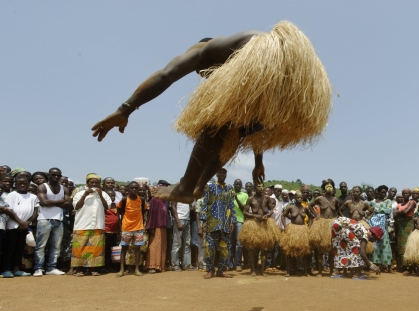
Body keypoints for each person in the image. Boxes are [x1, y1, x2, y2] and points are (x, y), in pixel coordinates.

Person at [92, 22, 332, 203]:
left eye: (204, 75)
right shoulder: (241, 60)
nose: (206, 77)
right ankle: (198, 185)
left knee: (217, 122)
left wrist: (125, 109)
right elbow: (255, 126)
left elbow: (166, 75)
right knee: (235, 132)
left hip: (272, 53)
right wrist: (258, 163)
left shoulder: (204, 49)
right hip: (297, 79)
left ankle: (186, 187)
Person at [70, 173, 111, 276]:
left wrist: (101, 195)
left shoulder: (104, 194)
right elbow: (77, 207)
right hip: (82, 224)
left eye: (96, 183)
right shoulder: (79, 194)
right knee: (80, 248)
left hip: (97, 224)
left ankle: (93, 269)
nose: (94, 184)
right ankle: (79, 269)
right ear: (87, 183)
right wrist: (85, 195)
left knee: (96, 248)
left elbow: (107, 207)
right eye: (91, 182)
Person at [199, 168, 237, 279]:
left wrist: (232, 221)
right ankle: (210, 270)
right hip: (212, 223)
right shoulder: (210, 187)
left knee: (224, 248)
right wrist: (204, 221)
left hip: (225, 224)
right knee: (210, 247)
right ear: (216, 174)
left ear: (226, 175)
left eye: (224, 173)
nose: (222, 174)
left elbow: (231, 205)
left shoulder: (229, 188)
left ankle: (221, 270)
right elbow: (204, 204)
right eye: (220, 172)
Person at [34, 168, 71, 277]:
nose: (56, 177)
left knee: (56, 246)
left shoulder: (64, 188)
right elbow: (44, 202)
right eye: (53, 175)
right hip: (44, 219)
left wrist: (52, 202)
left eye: (58, 175)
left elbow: (68, 204)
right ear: (48, 175)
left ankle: (51, 267)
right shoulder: (42, 187)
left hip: (58, 220)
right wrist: (61, 202)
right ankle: (38, 268)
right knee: (41, 245)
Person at [2, 175, 39, 278]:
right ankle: (6, 270)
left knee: (19, 249)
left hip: (25, 226)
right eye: (19, 183)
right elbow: (10, 211)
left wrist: (27, 222)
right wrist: (20, 223)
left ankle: (16, 269)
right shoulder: (12, 195)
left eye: (24, 183)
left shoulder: (33, 197)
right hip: (13, 226)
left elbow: (35, 211)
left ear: (28, 184)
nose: (22, 185)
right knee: (9, 249)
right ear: (15, 184)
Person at [239, 182, 278, 276]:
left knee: (264, 249)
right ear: (255, 188)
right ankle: (253, 270)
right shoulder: (251, 199)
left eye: (262, 187)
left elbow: (272, 210)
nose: (261, 188)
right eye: (259, 186)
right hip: (254, 224)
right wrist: (254, 215)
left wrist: (267, 215)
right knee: (253, 249)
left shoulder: (267, 198)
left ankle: (263, 271)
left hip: (265, 223)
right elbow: (245, 212)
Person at [309, 179, 340, 276]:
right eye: (327, 186)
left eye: (331, 186)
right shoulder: (320, 199)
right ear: (324, 188)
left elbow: (338, 210)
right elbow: (310, 206)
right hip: (321, 224)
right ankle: (319, 271)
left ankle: (331, 271)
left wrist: (337, 219)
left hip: (331, 224)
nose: (329, 188)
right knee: (320, 249)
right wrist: (316, 215)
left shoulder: (335, 200)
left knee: (331, 249)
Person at [116, 181, 147, 277]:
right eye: (132, 188)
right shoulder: (124, 200)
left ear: (138, 190)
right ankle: (121, 269)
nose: (134, 190)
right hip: (126, 228)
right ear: (128, 189)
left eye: (136, 188)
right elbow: (119, 211)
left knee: (138, 248)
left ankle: (137, 269)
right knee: (124, 248)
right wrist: (120, 228)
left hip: (138, 228)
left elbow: (144, 210)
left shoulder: (141, 200)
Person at [280, 197, 311, 277]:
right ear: (295, 198)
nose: (300, 199)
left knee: (304, 251)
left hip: (302, 230)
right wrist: (285, 226)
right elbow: (283, 215)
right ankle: (288, 271)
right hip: (292, 229)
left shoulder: (305, 208)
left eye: (301, 197)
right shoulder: (291, 207)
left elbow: (310, 217)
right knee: (289, 251)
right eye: (298, 197)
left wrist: (309, 227)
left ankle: (305, 272)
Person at [145, 181, 171, 273]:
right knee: (154, 246)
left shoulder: (164, 200)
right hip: (155, 226)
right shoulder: (155, 199)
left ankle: (160, 265)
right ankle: (152, 265)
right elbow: (152, 214)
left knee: (162, 246)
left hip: (163, 226)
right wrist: (151, 227)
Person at [368, 185, 394, 273]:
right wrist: (376, 210)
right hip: (374, 226)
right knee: (375, 245)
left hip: (383, 227)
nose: (384, 194)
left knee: (385, 244)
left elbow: (388, 211)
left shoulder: (388, 201)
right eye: (382, 192)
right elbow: (368, 210)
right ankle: (376, 265)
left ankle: (386, 265)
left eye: (385, 192)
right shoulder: (372, 202)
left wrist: (376, 209)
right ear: (378, 192)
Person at [170, 188, 193, 272]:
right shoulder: (176, 194)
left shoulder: (187, 195)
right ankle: (175, 265)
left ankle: (186, 264)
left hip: (187, 220)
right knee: (177, 243)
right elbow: (173, 207)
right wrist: (178, 221)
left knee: (187, 243)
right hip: (179, 220)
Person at [395, 188, 416, 273]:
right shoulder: (399, 204)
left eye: (407, 193)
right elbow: (395, 215)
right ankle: (403, 265)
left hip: (408, 224)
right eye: (404, 193)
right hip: (400, 225)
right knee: (400, 245)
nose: (405, 195)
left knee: (408, 244)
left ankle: (410, 266)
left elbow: (405, 212)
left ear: (410, 194)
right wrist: (400, 213)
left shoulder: (412, 202)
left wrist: (398, 213)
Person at [228, 179, 248, 271]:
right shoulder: (229, 194)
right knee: (229, 243)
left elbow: (244, 208)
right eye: (236, 184)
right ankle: (228, 264)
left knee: (239, 244)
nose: (238, 185)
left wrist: (236, 198)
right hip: (229, 221)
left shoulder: (244, 195)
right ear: (234, 185)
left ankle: (238, 264)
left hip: (239, 220)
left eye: (239, 184)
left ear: (241, 185)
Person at [103, 189, 120, 271]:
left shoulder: (116, 205)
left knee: (112, 249)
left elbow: (118, 218)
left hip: (114, 231)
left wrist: (119, 229)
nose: (112, 197)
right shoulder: (103, 206)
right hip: (105, 230)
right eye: (110, 195)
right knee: (105, 249)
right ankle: (104, 266)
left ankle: (111, 266)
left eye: (113, 196)